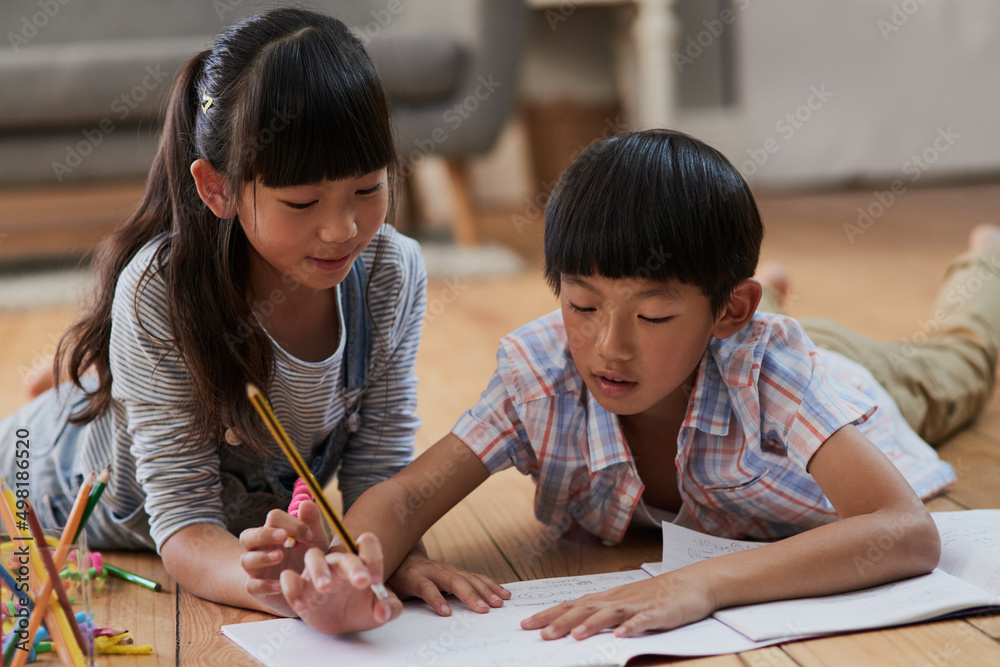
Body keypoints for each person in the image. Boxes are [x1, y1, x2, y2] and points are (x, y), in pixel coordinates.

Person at [240, 129, 1000, 637]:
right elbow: (404, 496)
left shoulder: (772, 368)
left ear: (727, 312)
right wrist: (364, 565)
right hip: (729, 336)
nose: (609, 347)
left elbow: (903, 532)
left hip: (841, 377)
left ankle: (986, 257)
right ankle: (738, 292)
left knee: (960, 360)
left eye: (656, 314)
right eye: (581, 305)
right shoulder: (541, 370)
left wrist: (700, 584)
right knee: (676, 327)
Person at [0, 7, 507, 628]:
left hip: (225, 505)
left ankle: (90, 382)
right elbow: (185, 526)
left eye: (369, 188)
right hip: (41, 482)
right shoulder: (159, 292)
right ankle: (72, 394)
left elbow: (380, 471)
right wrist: (287, 591)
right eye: (301, 201)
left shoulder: (389, 272)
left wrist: (386, 558)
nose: (342, 229)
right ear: (216, 190)